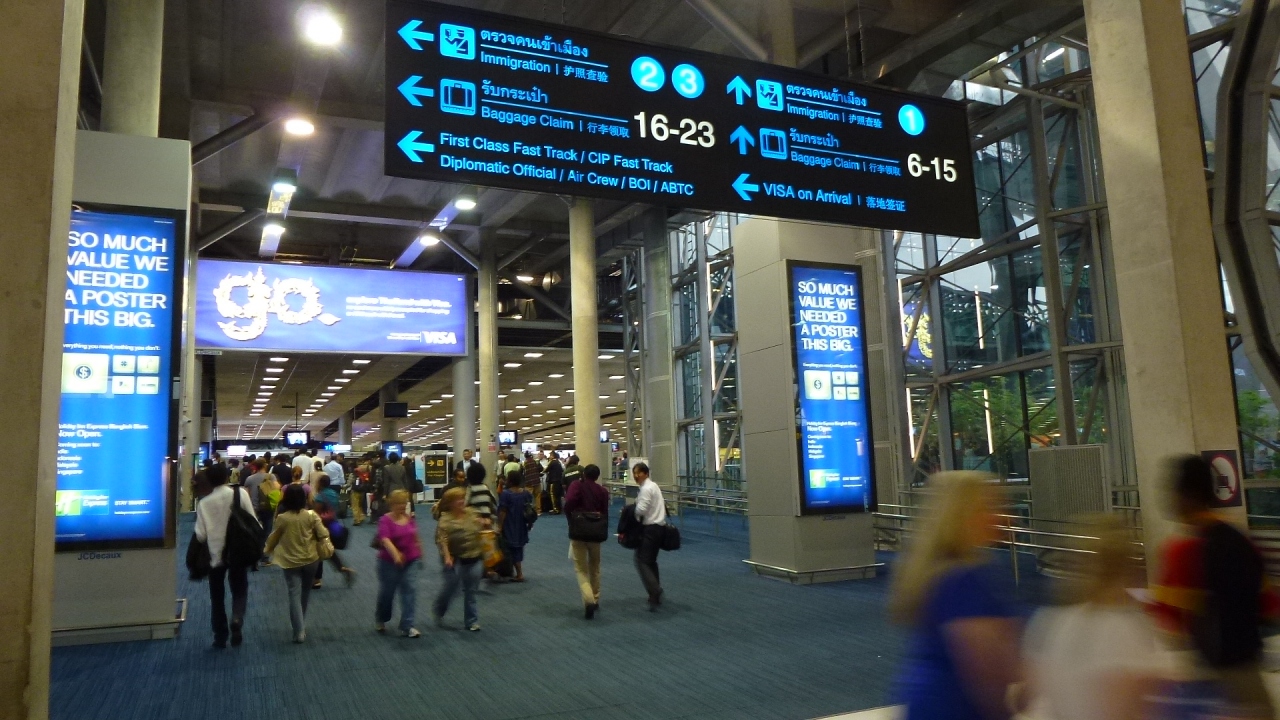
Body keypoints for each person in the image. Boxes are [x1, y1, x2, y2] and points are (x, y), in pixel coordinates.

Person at [1151, 455, 1279, 719]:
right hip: (1249, 676)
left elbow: (1170, 624)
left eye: (1172, 491)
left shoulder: (1183, 551)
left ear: (1189, 495)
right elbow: (1269, 605)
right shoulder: (1241, 541)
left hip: (1210, 685)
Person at [890, 471, 1022, 720]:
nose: (1002, 516)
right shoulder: (966, 580)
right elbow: (984, 669)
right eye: (989, 506)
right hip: (954, 708)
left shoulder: (931, 570)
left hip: (927, 702)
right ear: (965, 516)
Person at [1022, 516, 1165, 720]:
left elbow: (1031, 690)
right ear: (1126, 569)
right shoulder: (1124, 631)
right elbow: (1124, 710)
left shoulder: (1048, 621)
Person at [194, 464, 259, 648]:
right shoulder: (240, 494)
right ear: (226, 477)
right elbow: (252, 520)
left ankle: (220, 636)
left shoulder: (204, 503)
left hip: (215, 554)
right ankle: (237, 618)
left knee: (217, 596)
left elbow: (200, 535)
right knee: (239, 589)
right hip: (238, 550)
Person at [264, 483, 330, 643]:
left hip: (290, 561)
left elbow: (274, 537)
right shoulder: (312, 515)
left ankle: (298, 631)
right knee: (305, 592)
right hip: (311, 559)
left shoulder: (282, 518)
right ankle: (301, 623)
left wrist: (267, 550)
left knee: (294, 593)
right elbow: (323, 533)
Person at [433, 487, 486, 631]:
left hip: (474, 556)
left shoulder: (472, 513)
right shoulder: (445, 519)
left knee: (471, 591)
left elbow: (480, 530)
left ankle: (471, 621)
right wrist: (447, 556)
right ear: (450, 503)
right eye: (458, 499)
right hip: (455, 559)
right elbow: (442, 539)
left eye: (463, 498)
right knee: (452, 587)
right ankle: (440, 608)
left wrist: (483, 523)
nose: (462, 501)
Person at [564, 463, 610, 619]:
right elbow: (605, 512)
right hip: (595, 532)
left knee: (581, 569)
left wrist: (570, 518)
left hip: (579, 530)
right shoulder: (602, 491)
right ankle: (595, 598)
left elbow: (569, 502)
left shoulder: (576, 485)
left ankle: (588, 599)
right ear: (597, 476)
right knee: (595, 566)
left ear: (583, 474)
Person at [375, 489, 422, 638]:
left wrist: (420, 552)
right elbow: (385, 539)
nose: (402, 506)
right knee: (387, 593)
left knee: (410, 589)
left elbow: (415, 537)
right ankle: (381, 618)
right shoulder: (385, 520)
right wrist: (396, 555)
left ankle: (407, 625)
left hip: (411, 560)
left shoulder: (409, 518)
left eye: (404, 503)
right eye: (399, 503)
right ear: (392, 504)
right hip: (388, 562)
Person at [630, 462, 667, 610]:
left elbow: (641, 510)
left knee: (641, 561)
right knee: (651, 561)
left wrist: (631, 510)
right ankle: (654, 593)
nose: (636, 476)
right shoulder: (654, 486)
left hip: (650, 529)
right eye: (634, 473)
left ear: (646, 473)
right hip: (659, 528)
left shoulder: (646, 489)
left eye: (638, 473)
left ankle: (655, 589)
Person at [311, 476, 355, 589]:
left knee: (319, 550)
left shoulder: (320, 496)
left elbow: (316, 512)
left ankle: (317, 579)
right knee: (328, 550)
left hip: (322, 525)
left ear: (320, 483)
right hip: (333, 524)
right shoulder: (333, 493)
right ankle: (342, 568)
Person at [497, 473, 532, 582]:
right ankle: (516, 572)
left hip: (510, 523)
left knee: (509, 548)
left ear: (510, 481)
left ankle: (518, 573)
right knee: (518, 547)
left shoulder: (506, 494)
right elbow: (530, 509)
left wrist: (499, 526)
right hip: (521, 524)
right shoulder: (526, 493)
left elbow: (503, 512)